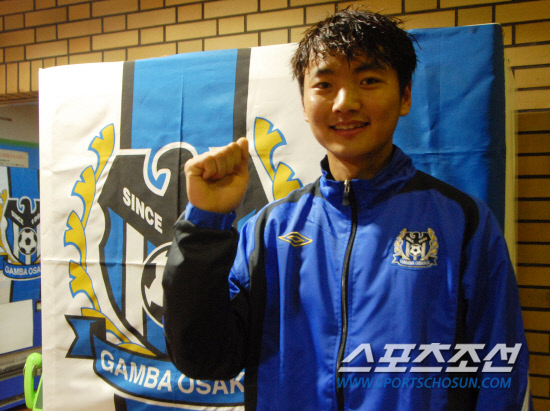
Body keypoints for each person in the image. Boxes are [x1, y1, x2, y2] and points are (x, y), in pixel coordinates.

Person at [163, 7, 531, 410]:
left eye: (368, 80)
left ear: (405, 96)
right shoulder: (269, 228)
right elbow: (205, 357)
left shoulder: (462, 222)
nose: (345, 102)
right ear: (304, 104)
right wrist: (205, 224)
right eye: (324, 85)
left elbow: (499, 371)